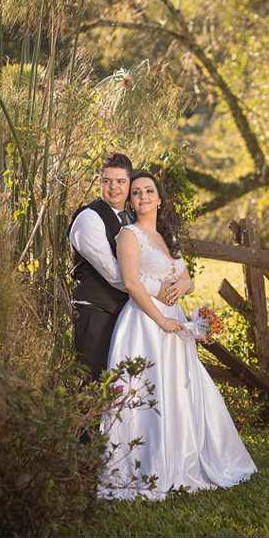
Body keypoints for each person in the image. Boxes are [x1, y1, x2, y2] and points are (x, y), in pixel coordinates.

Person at [98, 171, 257, 499]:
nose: (142, 196)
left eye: (149, 191)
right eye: (137, 192)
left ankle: (184, 456)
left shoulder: (166, 237)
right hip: (145, 323)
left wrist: (184, 286)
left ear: (158, 199)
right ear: (131, 201)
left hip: (175, 322)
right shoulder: (129, 235)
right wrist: (161, 320)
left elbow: (186, 279)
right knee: (148, 389)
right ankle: (146, 467)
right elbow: (131, 283)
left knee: (178, 388)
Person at [68, 153, 176, 383]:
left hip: (127, 318)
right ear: (99, 183)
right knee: (92, 390)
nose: (113, 187)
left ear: (129, 185)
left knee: (122, 393)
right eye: (107, 181)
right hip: (96, 315)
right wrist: (158, 289)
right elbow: (115, 274)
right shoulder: (89, 219)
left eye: (120, 181)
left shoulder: (131, 218)